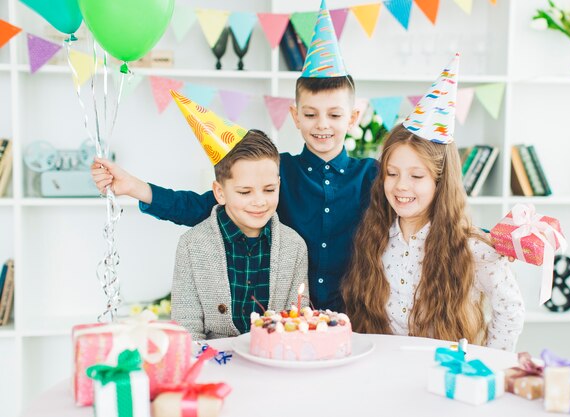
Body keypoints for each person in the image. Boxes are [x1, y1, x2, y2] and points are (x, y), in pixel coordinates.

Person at [91, 0, 376, 311]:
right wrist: (135, 187)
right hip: (285, 322)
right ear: (295, 116)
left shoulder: (372, 176)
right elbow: (203, 206)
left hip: (356, 322)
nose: (322, 124)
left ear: (353, 117)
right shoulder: (278, 172)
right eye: (311, 114)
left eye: (334, 115)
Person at [342, 54, 524, 351]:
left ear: (440, 182)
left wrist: (490, 363)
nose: (401, 186)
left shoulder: (472, 248)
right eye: (391, 173)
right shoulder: (375, 237)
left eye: (416, 176)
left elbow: (511, 310)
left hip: (443, 382)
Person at [169, 91, 308, 341]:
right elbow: (186, 331)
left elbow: (296, 325)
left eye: (269, 189)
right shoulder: (192, 246)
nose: (259, 201)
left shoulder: (294, 247)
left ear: (279, 184)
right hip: (213, 366)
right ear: (220, 193)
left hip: (275, 366)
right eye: (245, 192)